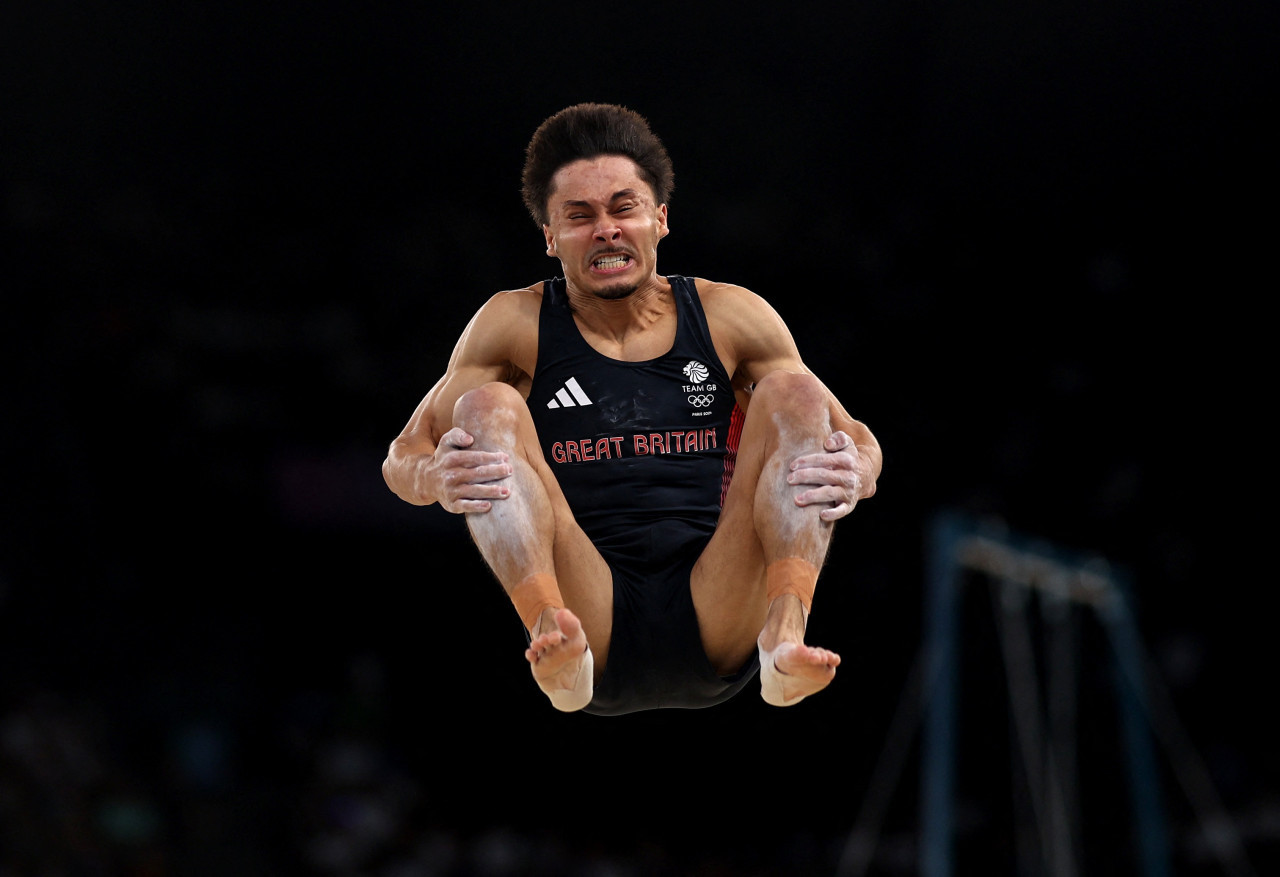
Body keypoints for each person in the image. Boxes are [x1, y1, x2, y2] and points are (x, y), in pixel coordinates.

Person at [382, 103, 881, 716]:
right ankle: (549, 633)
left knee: (794, 395)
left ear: (659, 219)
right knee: (486, 405)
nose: (606, 230)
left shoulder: (728, 315)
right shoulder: (513, 323)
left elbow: (856, 436)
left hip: (719, 600)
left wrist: (857, 470)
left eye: (624, 208)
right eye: (579, 216)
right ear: (549, 236)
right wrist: (433, 477)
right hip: (591, 610)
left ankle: (784, 633)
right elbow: (402, 458)